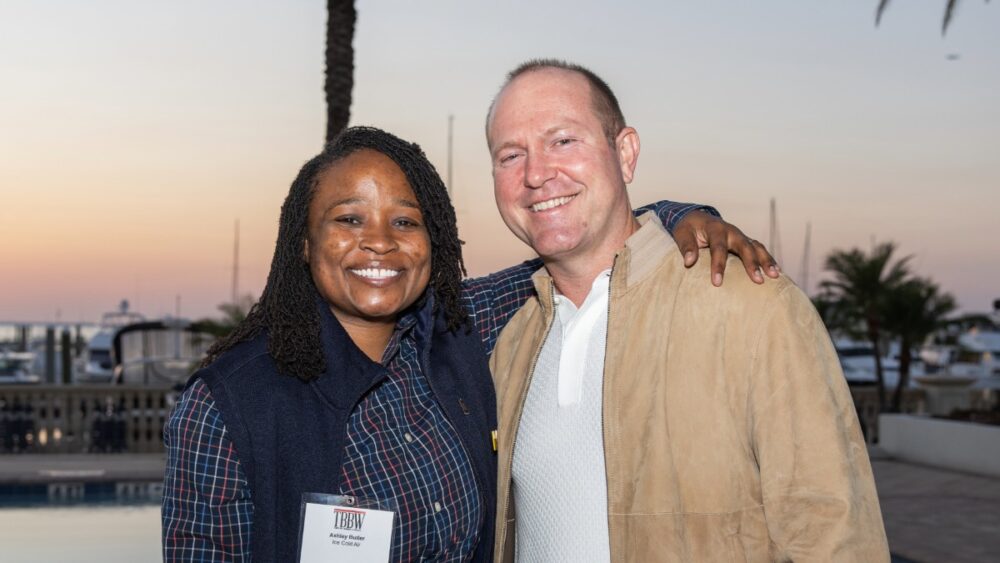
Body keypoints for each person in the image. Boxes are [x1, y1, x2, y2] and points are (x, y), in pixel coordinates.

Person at [160, 127, 769, 562]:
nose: (380, 243)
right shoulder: (226, 408)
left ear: (436, 241)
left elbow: (584, 247)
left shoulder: (456, 328)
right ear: (302, 240)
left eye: (405, 221)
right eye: (348, 219)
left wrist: (683, 213)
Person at [487, 60, 890, 562]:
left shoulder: (753, 308)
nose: (536, 173)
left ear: (626, 153)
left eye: (563, 141)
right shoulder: (510, 346)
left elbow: (835, 537)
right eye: (510, 155)